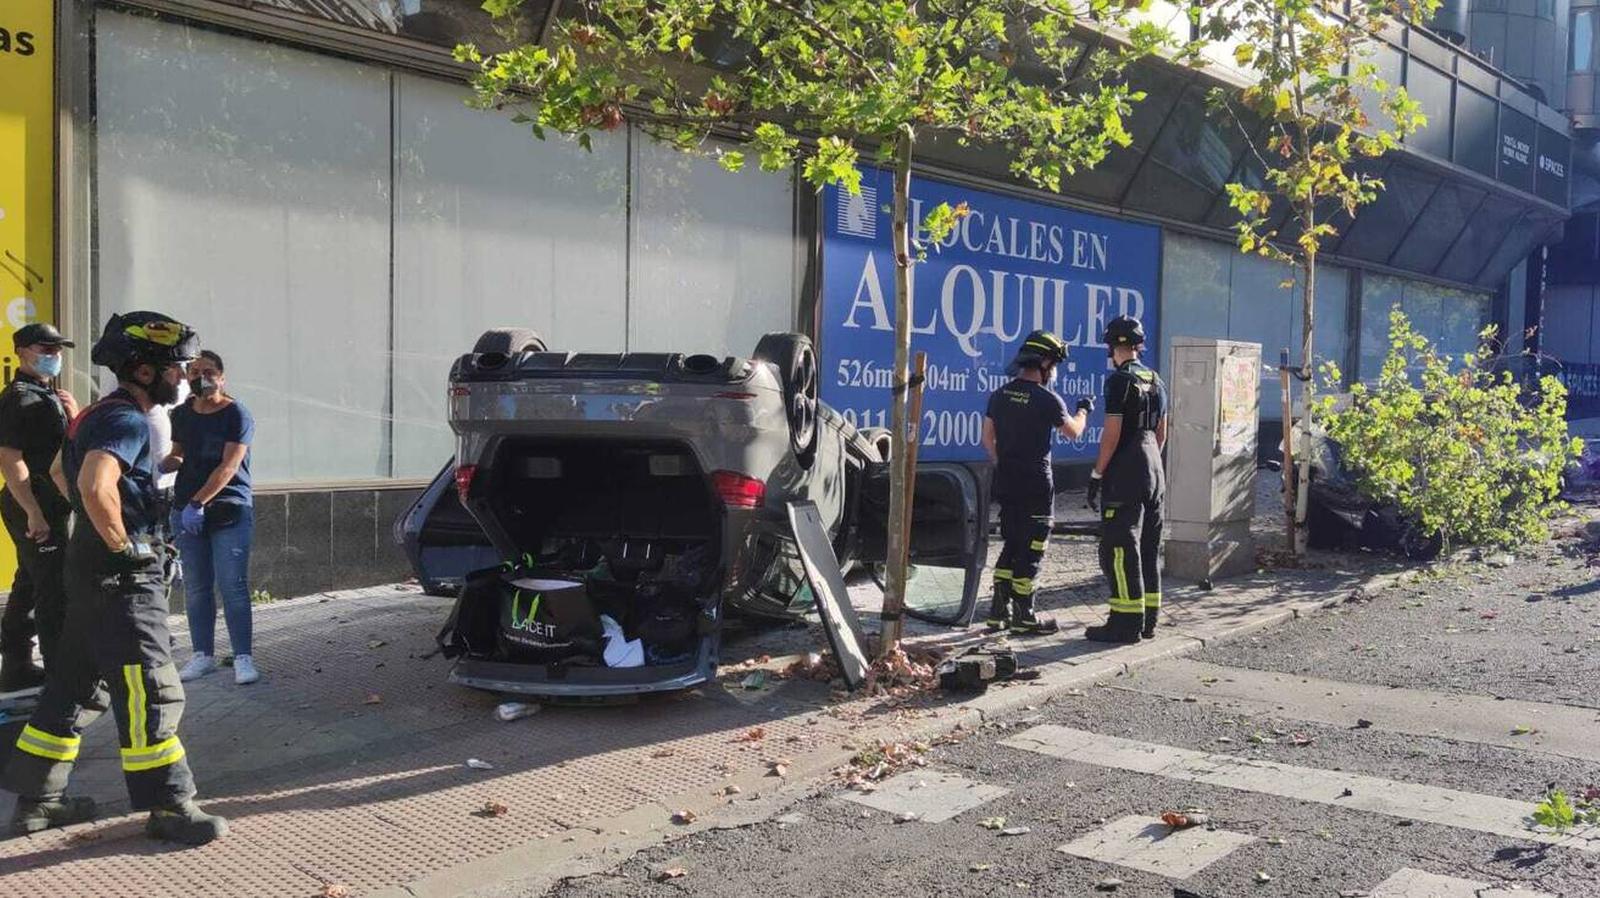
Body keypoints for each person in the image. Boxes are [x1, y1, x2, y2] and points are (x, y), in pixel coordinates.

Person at [3, 311, 228, 844]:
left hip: (87, 570)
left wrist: (94, 537)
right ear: (145, 371)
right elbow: (93, 482)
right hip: (121, 577)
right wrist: (124, 545)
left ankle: (39, 802)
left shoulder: (92, 413)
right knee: (149, 685)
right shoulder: (126, 419)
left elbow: (60, 474)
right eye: (175, 369)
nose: (184, 378)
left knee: (76, 689)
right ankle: (170, 807)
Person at [981, 330, 1093, 633]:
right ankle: (1025, 614)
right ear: (1044, 363)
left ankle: (997, 612)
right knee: (1033, 545)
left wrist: (1002, 463)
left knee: (1011, 542)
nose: (1053, 371)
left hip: (1007, 481)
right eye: (1054, 365)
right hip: (1037, 485)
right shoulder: (1048, 399)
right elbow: (1073, 432)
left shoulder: (1000, 395)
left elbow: (987, 439)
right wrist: (1083, 410)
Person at [165, 350, 258, 685]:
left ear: (222, 377)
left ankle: (243, 658)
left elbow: (229, 465)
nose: (199, 377)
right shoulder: (182, 413)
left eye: (207, 371)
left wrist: (198, 502)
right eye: (193, 371)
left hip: (229, 508)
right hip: (187, 509)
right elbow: (179, 455)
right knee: (196, 587)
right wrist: (156, 466)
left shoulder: (237, 414)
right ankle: (201, 655)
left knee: (232, 586)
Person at [0, 324, 80, 691]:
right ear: (21, 352)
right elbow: (10, 459)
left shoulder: (47, 394)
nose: (53, 355)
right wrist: (33, 511)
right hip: (34, 502)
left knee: (31, 580)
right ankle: (59, 669)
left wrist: (73, 413)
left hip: (52, 501)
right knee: (52, 586)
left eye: (57, 349)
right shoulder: (19, 398)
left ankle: (16, 664)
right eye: (44, 349)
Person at [1084, 315, 1169, 643]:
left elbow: (1113, 432)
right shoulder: (1156, 379)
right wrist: (1151, 466)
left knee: (1120, 545)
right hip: (1153, 465)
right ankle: (1148, 619)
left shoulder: (1119, 381)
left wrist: (1097, 472)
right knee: (1149, 544)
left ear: (1113, 346)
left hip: (1126, 467)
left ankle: (1124, 621)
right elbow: (1161, 431)